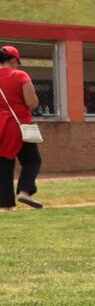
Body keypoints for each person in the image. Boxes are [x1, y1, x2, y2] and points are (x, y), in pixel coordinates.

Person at [0, 46, 42, 210]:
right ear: (13, 60)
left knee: (3, 164)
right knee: (32, 160)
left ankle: (6, 205)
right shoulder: (20, 76)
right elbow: (31, 103)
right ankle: (25, 191)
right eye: (18, 61)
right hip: (17, 125)